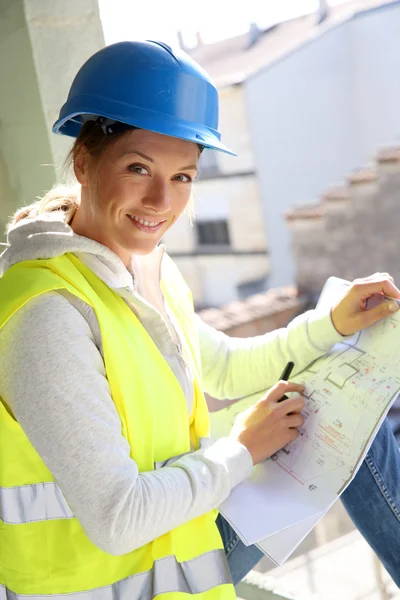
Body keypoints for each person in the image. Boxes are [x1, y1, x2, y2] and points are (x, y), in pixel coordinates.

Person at [1, 40, 400, 599]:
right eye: (138, 168)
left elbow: (222, 367)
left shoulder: (141, 268)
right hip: (120, 583)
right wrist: (241, 449)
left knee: (346, 424)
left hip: (171, 543)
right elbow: (118, 518)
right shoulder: (47, 316)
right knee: (335, 430)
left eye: (184, 176)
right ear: (85, 163)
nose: (162, 200)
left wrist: (329, 324)